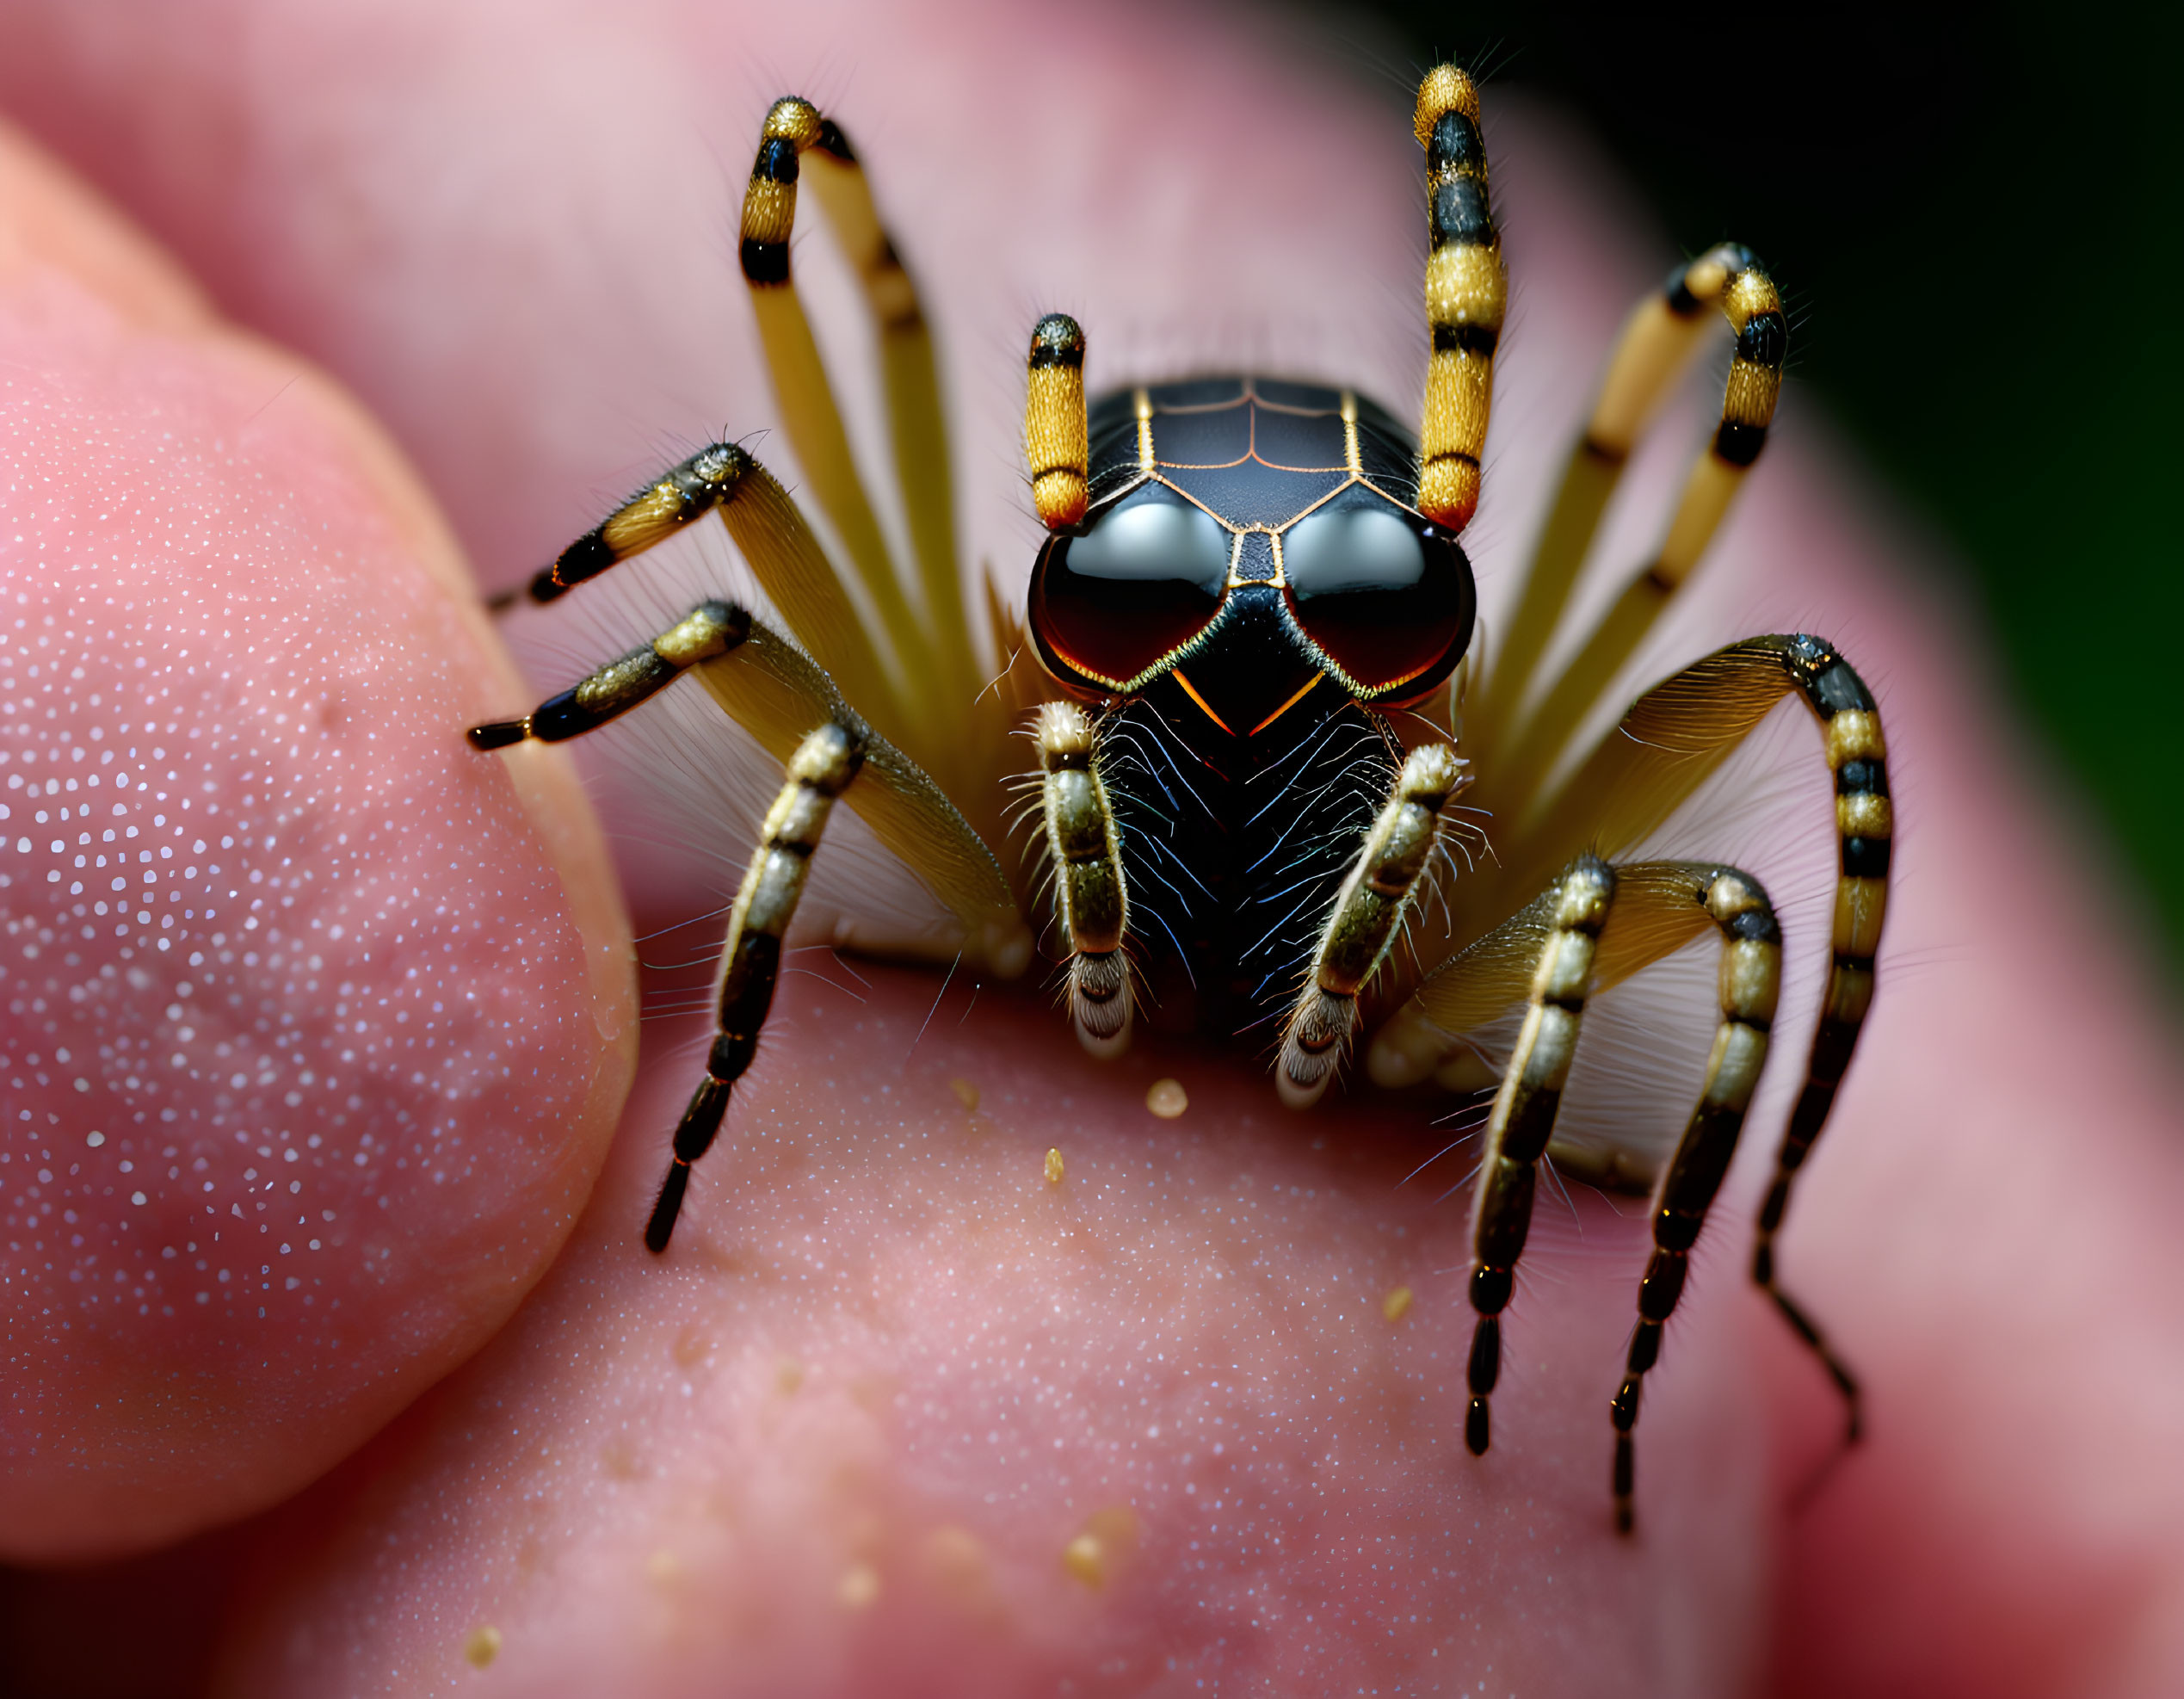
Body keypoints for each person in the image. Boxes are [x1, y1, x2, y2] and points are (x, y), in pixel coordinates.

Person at [1, 2, 2180, 1693]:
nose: (1242, 693)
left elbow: (1796, 740)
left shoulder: (1494, 816)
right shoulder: (950, 724)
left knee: (1790, 737)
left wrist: (1715, 1258)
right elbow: (739, 437)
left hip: (1405, 1108)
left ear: (1438, 626)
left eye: (1350, 641)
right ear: (1061, 600)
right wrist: (504, 692)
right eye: (1152, 633)